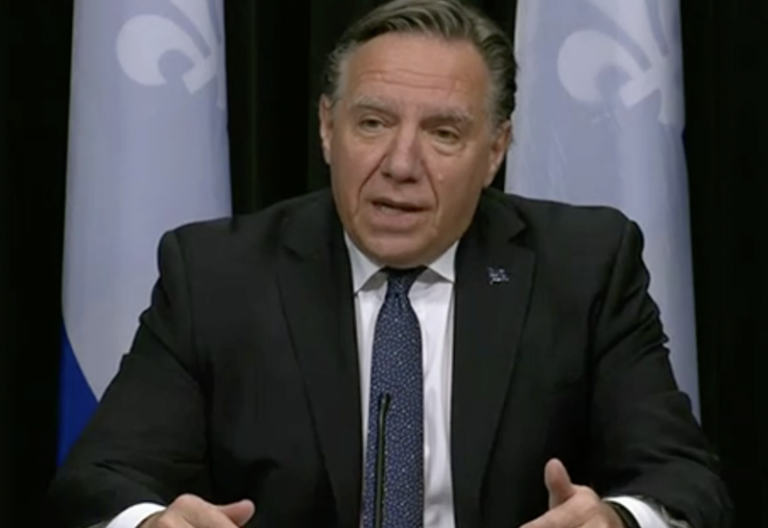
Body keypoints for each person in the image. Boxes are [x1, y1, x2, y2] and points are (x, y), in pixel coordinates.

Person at [45, 0, 731, 527]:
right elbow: (99, 479)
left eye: (443, 133)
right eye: (372, 123)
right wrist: (154, 522)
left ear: (495, 152)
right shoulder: (217, 274)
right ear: (327, 128)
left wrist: (617, 519)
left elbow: (683, 479)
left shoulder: (582, 267)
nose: (400, 164)